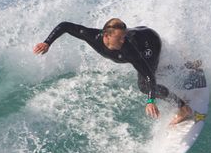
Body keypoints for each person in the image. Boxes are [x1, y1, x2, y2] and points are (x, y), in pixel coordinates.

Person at [33, 18, 192, 125]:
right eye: (120, 38)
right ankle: (182, 65)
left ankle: (183, 108)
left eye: (124, 37)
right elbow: (66, 26)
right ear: (106, 36)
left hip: (149, 43)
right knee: (152, 71)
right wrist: (47, 43)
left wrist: (151, 100)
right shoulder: (92, 36)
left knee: (145, 85)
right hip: (141, 34)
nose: (123, 41)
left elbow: (149, 76)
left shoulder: (129, 50)